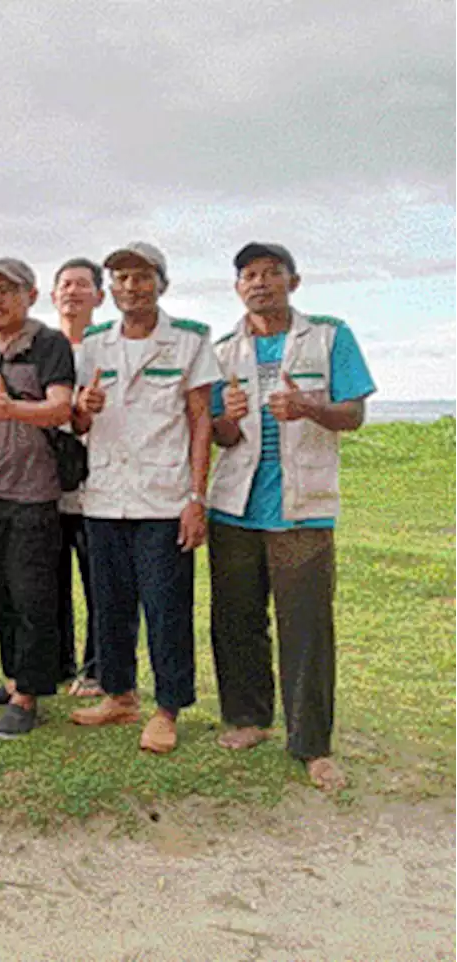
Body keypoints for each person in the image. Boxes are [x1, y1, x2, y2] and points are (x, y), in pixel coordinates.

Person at [207, 243, 374, 792]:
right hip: (236, 506)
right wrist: (226, 421)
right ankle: (249, 719)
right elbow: (221, 436)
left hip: (303, 511)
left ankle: (312, 746)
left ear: (293, 282)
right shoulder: (224, 349)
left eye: (271, 274)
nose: (260, 283)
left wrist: (309, 408)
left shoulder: (329, 335)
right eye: (249, 275)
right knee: (236, 619)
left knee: (306, 628)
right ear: (237, 288)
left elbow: (352, 415)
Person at [69, 242, 219, 754]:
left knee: (165, 606)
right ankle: (120, 695)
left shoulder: (190, 341)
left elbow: (201, 421)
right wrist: (83, 409)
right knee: (109, 604)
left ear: (162, 283)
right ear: (109, 288)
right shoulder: (93, 343)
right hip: (106, 494)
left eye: (141, 277)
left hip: (164, 498)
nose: (130, 287)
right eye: (121, 278)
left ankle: (167, 708)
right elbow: (80, 420)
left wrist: (196, 496)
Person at [0, 258, 75, 737]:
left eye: (8, 290)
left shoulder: (49, 346)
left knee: (31, 596)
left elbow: (61, 406)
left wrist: (14, 408)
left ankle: (28, 695)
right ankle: (11, 677)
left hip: (31, 490)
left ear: (31, 295)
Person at [50, 257, 106, 697]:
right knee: (49, 582)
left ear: (99, 297)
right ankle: (56, 663)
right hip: (46, 484)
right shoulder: (43, 349)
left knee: (99, 582)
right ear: (52, 296)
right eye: (65, 284)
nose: (72, 292)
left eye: (83, 285)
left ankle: (98, 669)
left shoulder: (107, 348)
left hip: (98, 486)